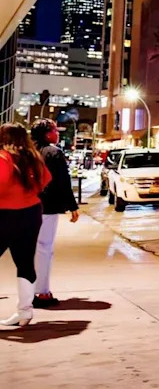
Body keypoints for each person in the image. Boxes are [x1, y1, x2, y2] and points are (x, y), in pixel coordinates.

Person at [0, 123, 52, 327]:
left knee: (23, 262)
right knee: (25, 263)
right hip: (31, 214)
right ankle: (25, 311)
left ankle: (24, 313)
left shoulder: (4, 158)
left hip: (5, 215)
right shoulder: (34, 157)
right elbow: (46, 179)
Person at [30, 119, 79, 308]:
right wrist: (72, 206)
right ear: (46, 134)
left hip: (25, 206)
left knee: (28, 251)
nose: (57, 134)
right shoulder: (53, 153)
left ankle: (28, 291)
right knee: (44, 248)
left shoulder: (27, 152)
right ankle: (42, 292)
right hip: (47, 207)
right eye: (54, 130)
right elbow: (63, 182)